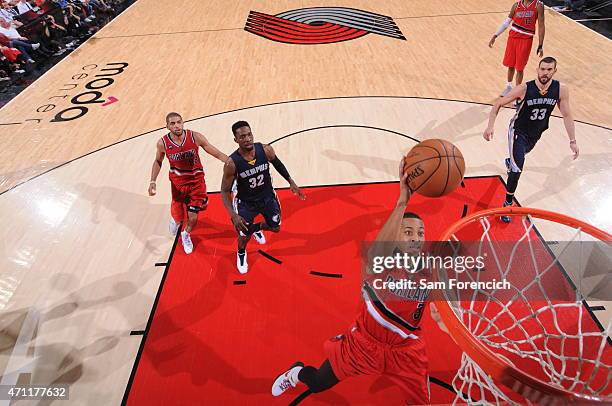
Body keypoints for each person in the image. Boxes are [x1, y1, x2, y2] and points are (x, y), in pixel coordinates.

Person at [271, 159, 447, 403]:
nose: (416, 238)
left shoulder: (430, 270)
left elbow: (441, 307)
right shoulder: (379, 262)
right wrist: (402, 202)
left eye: (420, 233)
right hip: (364, 344)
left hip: (407, 352)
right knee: (319, 383)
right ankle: (296, 372)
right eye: (407, 232)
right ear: (395, 236)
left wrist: (446, 317)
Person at [483, 57, 579, 222]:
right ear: (537, 69)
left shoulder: (561, 89)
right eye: (542, 69)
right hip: (518, 131)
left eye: (549, 70)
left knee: (519, 157)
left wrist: (573, 141)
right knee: (517, 168)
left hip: (536, 133)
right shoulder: (525, 88)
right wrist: (490, 126)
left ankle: (510, 161)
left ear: (554, 71)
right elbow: (499, 103)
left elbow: (567, 114)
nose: (545, 73)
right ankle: (507, 204)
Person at [220, 121, 305, 274]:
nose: (247, 139)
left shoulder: (265, 150)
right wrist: (233, 214)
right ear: (236, 140)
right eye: (242, 136)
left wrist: (291, 181)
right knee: (243, 237)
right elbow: (225, 191)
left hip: (267, 198)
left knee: (276, 227)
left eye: (249, 134)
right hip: (245, 204)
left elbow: (277, 163)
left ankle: (256, 228)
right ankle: (241, 252)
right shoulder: (232, 163)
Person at [148, 112, 228, 254]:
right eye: (172, 123)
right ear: (167, 126)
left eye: (179, 122)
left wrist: (228, 160)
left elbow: (213, 151)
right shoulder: (163, 143)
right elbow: (158, 161)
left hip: (197, 182)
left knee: (193, 216)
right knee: (179, 216)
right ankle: (176, 219)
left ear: (183, 122)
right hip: (178, 184)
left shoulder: (195, 137)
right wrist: (153, 181)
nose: (177, 125)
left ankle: (185, 234)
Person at [489, 0, 545, 97]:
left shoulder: (538, 5)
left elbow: (541, 25)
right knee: (510, 65)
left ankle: (517, 91)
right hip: (513, 38)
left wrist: (540, 44)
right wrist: (495, 35)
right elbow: (506, 22)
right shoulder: (516, 5)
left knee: (519, 68)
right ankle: (509, 86)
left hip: (526, 39)